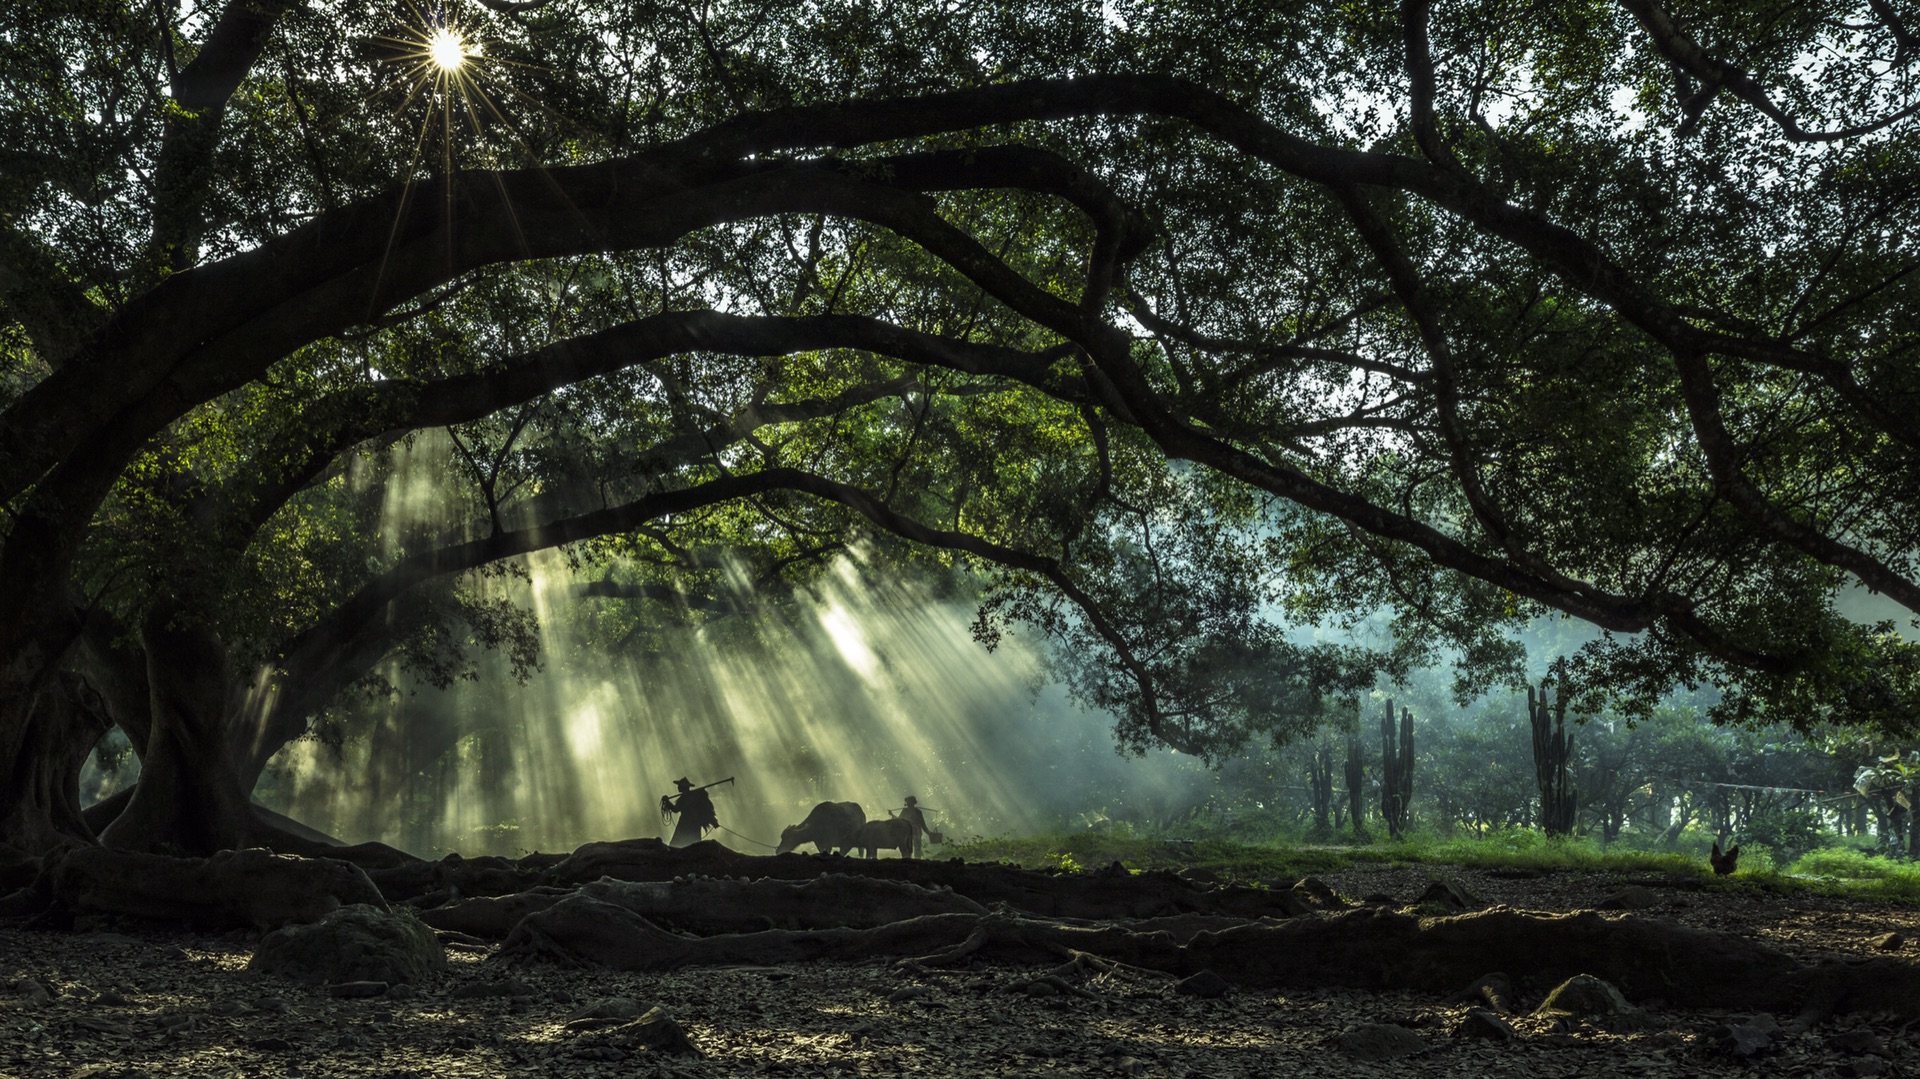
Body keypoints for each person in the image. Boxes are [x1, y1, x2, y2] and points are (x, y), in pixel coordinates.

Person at [662, 777, 719, 848]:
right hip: (695, 825)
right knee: (694, 845)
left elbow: (675, 809)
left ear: (683, 787)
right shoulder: (693, 796)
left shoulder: (684, 798)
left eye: (679, 786)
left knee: (676, 844)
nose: (678, 787)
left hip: (684, 825)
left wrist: (667, 802)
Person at [898, 794, 937, 859]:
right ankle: (908, 860)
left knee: (917, 847)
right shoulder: (904, 811)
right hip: (907, 832)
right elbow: (899, 820)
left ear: (913, 803)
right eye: (907, 803)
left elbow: (923, 824)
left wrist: (929, 833)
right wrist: (892, 815)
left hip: (916, 831)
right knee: (908, 847)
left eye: (909, 802)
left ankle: (917, 860)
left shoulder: (918, 812)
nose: (908, 804)